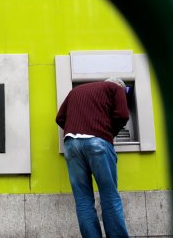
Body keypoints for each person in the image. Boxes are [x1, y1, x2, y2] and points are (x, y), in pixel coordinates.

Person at [56, 77, 130, 238]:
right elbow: (123, 115)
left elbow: (60, 118)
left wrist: (77, 130)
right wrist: (109, 133)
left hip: (71, 144)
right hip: (98, 142)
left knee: (83, 199)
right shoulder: (116, 88)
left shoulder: (75, 91)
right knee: (109, 196)